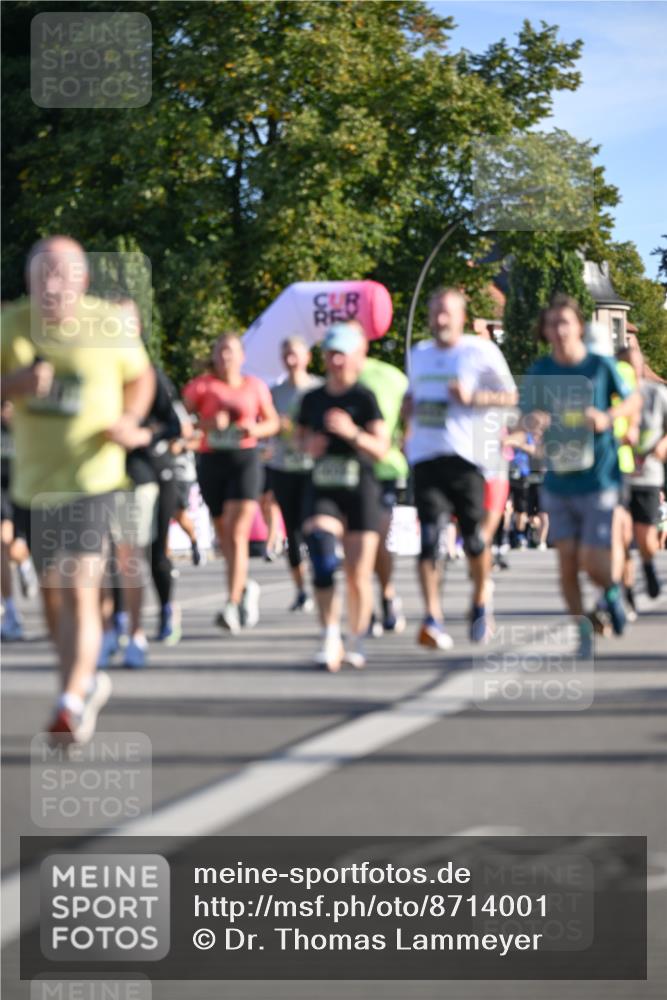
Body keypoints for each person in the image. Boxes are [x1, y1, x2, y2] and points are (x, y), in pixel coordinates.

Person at [0, 236, 154, 741]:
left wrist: (130, 419)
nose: (51, 286)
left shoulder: (108, 325)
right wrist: (13, 385)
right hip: (33, 485)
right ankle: (82, 685)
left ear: (83, 280)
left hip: (94, 479)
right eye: (40, 275)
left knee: (78, 586)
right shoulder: (10, 325)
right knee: (52, 599)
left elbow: (142, 378)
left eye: (62, 275)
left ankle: (68, 700)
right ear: (28, 280)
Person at [520, 294, 641, 655]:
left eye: (565, 323)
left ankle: (612, 591)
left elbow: (634, 400)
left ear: (579, 327)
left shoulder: (600, 366)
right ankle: (582, 630)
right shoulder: (540, 370)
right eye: (552, 324)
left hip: (599, 477)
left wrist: (608, 417)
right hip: (558, 478)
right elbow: (525, 416)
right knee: (566, 563)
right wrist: (533, 421)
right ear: (545, 330)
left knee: (592, 561)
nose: (559, 331)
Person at [404, 287, 517, 649]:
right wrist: (407, 412)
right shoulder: (419, 353)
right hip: (425, 457)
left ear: (461, 318)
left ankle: (481, 599)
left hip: (467, 458)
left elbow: (510, 396)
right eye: (435, 312)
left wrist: (473, 398)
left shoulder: (479, 351)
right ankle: (432, 617)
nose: (440, 319)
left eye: (447, 313)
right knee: (428, 541)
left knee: (474, 540)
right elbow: (411, 397)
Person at [297, 322, 389, 671]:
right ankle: (329, 636)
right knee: (321, 554)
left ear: (353, 358)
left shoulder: (364, 397)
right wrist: (309, 445)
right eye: (330, 354)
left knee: (357, 573)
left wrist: (352, 433)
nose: (335, 361)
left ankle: (356, 640)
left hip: (360, 486)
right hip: (323, 485)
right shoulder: (313, 398)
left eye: (341, 354)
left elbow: (380, 448)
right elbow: (298, 439)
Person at [183, 333, 280, 632]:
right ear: (214, 356)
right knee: (224, 536)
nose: (226, 357)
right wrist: (207, 425)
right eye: (221, 351)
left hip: (245, 461)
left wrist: (254, 428)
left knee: (238, 534)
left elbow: (273, 422)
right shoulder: (201, 386)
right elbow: (181, 423)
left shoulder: (255, 386)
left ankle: (232, 603)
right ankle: (243, 586)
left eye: (231, 351)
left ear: (242, 356)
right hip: (212, 462)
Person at [264, 336, 322, 611]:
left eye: (295, 354)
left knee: (316, 528)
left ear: (307, 357)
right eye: (286, 354)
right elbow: (266, 425)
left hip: (313, 469)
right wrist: (277, 427)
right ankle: (301, 590)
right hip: (283, 467)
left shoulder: (319, 389)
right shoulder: (275, 393)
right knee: (293, 531)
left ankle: (322, 581)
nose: (291, 359)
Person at [357, 336, 410, 634]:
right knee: (356, 544)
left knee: (377, 540)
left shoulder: (391, 376)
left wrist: (406, 443)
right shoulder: (332, 382)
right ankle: (365, 608)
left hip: (383, 469)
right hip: (347, 473)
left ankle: (387, 594)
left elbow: (409, 415)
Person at [618, 341, 667, 601]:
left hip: (648, 474)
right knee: (622, 536)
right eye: (625, 364)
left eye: (635, 364)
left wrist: (662, 446)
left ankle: (648, 566)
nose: (631, 369)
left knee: (646, 538)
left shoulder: (657, 394)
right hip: (617, 475)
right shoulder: (612, 395)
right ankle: (626, 591)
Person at [1, 400, 38, 641]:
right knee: (3, 543)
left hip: (24, 489)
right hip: (1, 491)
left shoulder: (28, 425)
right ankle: (11, 611)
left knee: (15, 550)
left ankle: (25, 565)